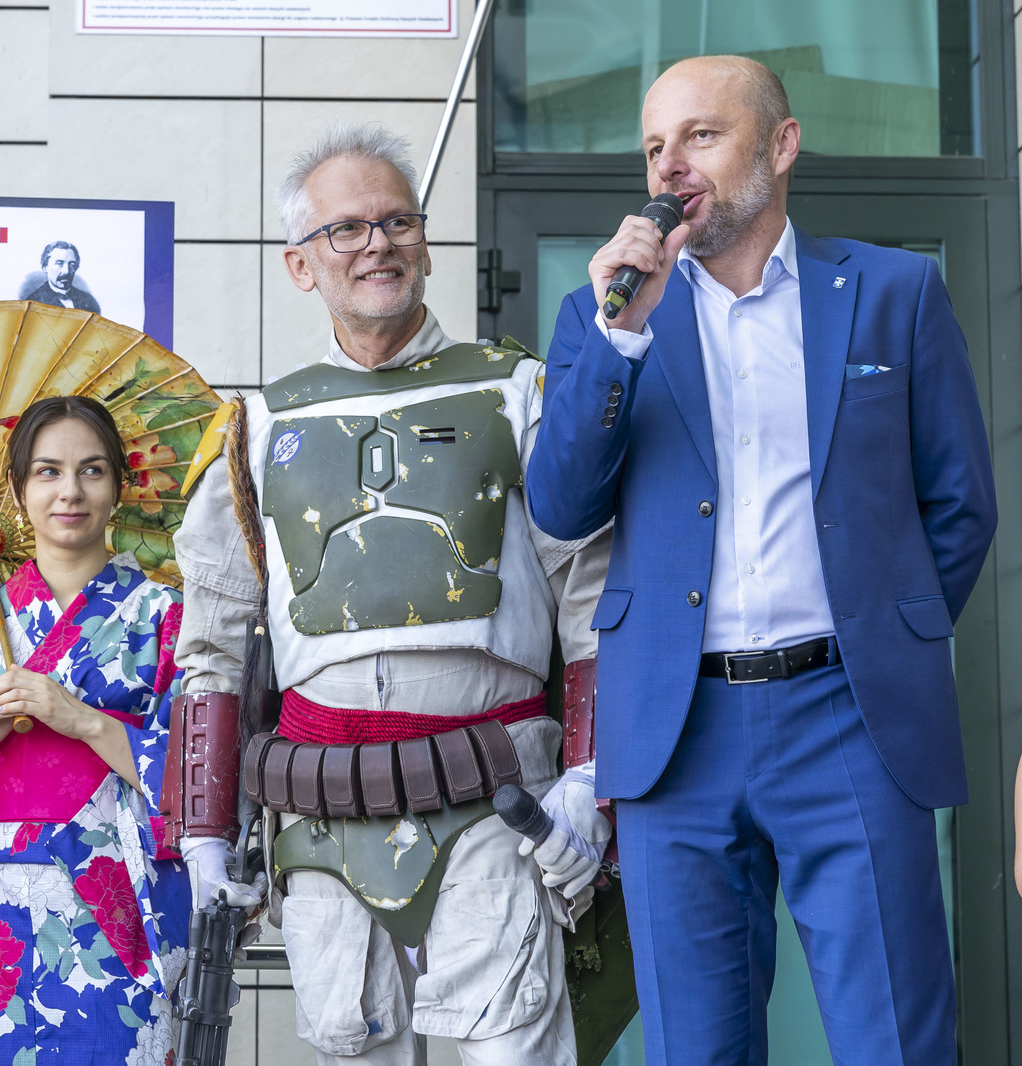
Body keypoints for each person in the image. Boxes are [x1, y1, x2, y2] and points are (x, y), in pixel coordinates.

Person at [526, 55, 998, 1065]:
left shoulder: (893, 293)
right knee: (696, 1049)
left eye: (701, 135)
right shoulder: (600, 319)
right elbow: (561, 506)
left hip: (851, 715)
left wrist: (890, 634)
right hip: (675, 732)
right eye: (655, 146)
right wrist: (620, 335)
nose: (670, 164)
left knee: (895, 1041)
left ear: (780, 146)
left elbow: (961, 503)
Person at [165, 122, 612, 1066]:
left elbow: (595, 602)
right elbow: (212, 643)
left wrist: (589, 780)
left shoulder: (522, 392)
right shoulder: (254, 428)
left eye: (397, 221)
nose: (378, 243)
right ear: (299, 264)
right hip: (320, 815)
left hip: (500, 805)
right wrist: (204, 831)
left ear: (426, 244)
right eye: (347, 228)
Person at [0, 395, 190, 1065]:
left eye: (92, 470)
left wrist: (82, 720)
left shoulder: (166, 617)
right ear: (19, 491)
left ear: (119, 487)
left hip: (113, 897)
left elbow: (198, 783)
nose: (69, 491)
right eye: (47, 472)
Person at [22, 241, 102, 313]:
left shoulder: (88, 301)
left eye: (72, 265)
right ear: (45, 267)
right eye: (59, 263)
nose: (66, 271)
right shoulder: (33, 303)